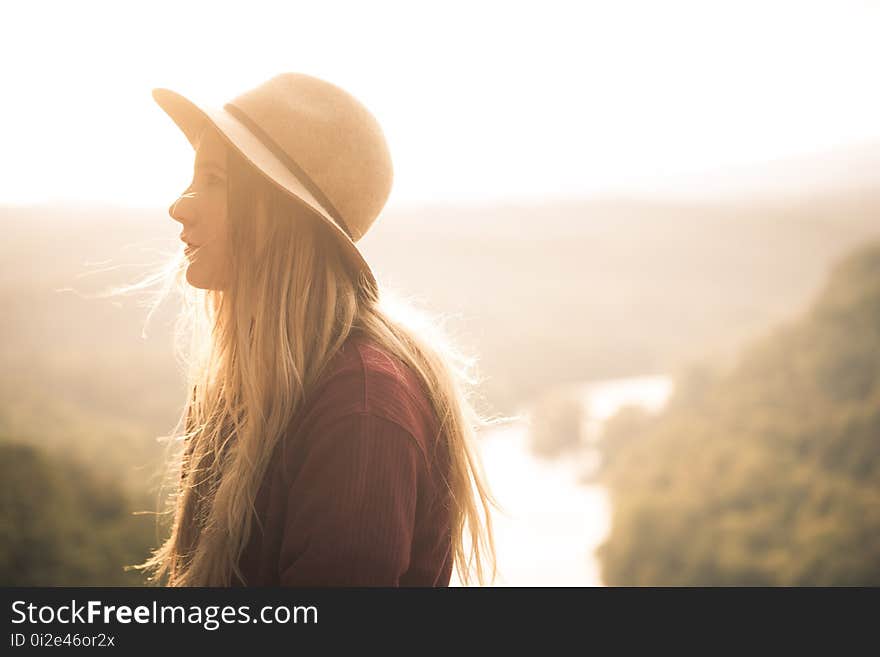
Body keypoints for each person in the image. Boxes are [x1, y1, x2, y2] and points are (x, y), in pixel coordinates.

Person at [126, 73, 502, 587]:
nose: (180, 205)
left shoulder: (361, 409)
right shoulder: (252, 386)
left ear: (283, 215)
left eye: (215, 179)